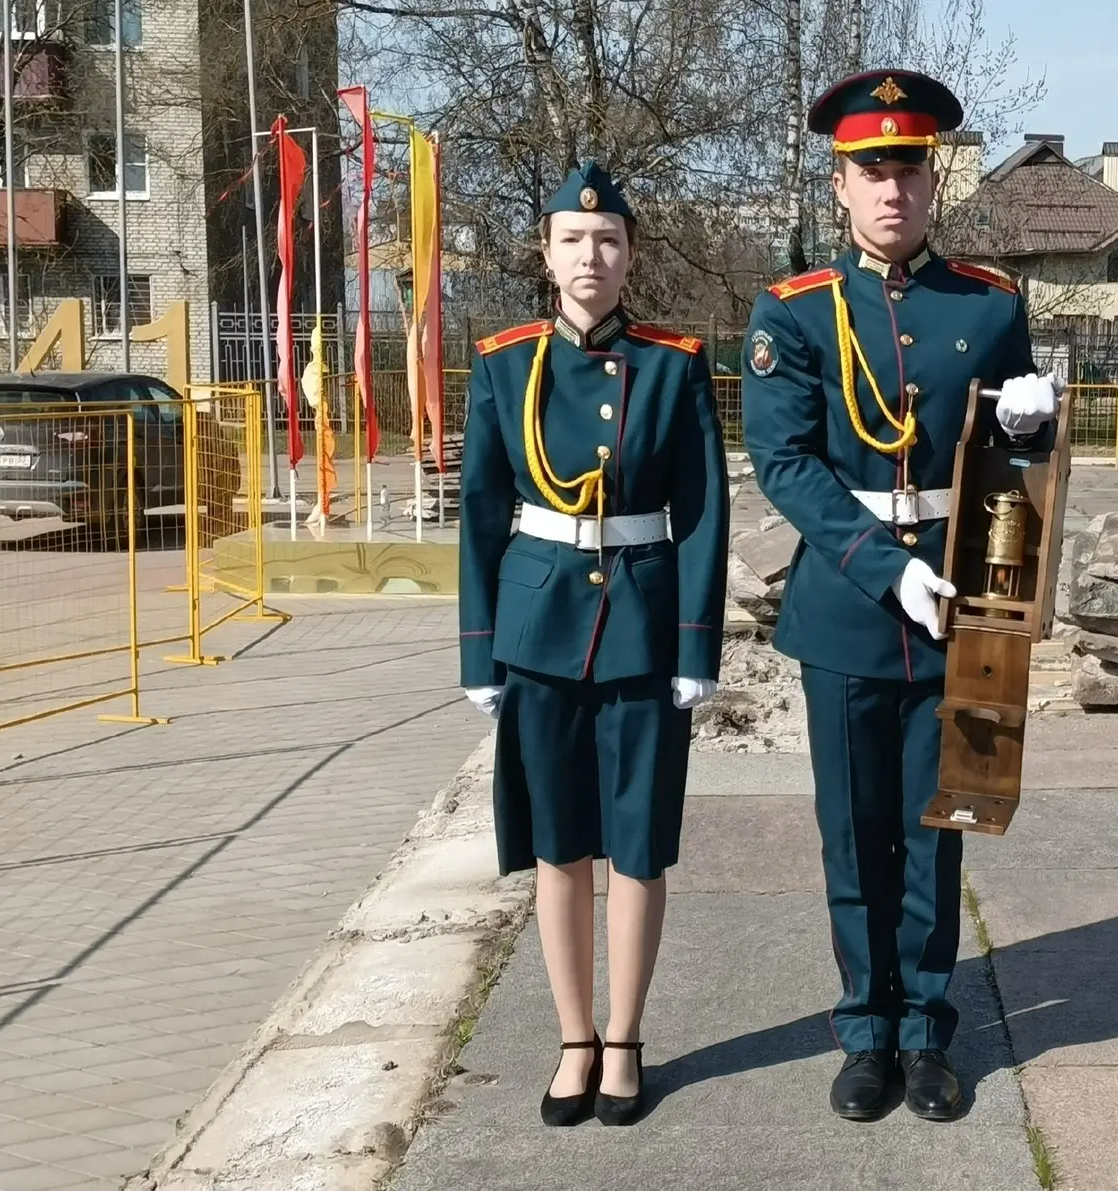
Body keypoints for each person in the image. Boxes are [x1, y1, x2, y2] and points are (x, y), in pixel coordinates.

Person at [740, 69, 1060, 1123]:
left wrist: (1033, 429)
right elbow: (785, 463)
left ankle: (926, 1027)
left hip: (963, 605)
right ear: (840, 185)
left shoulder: (990, 303)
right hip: (848, 608)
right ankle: (863, 1029)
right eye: (871, 172)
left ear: (934, 181)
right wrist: (887, 565)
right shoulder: (791, 312)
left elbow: (1019, 458)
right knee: (854, 831)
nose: (892, 191)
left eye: (908, 171)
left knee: (940, 823)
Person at [457, 161, 729, 1128]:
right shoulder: (501, 363)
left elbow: (699, 512)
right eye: (573, 240)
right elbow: (484, 514)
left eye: (608, 240)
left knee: (639, 847)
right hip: (537, 630)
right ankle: (573, 1036)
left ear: (630, 256)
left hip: (645, 626)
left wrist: (699, 644)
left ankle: (625, 1036)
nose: (591, 255)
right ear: (545, 254)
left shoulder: (673, 361)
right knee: (557, 847)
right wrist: (477, 654)